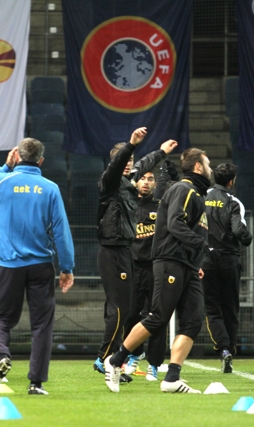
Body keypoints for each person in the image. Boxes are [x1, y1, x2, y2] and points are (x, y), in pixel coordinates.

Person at [104, 148, 215, 394]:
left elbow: (193, 229)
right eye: (207, 163)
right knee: (157, 317)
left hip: (188, 265)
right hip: (170, 260)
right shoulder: (183, 189)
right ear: (197, 166)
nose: (211, 168)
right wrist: (202, 246)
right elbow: (175, 223)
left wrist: (196, 261)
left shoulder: (197, 193)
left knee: (193, 321)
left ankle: (172, 378)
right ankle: (115, 361)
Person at [0, 138, 75, 396]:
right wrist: (67, 267)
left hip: (8, 265)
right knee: (42, 324)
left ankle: (0, 355)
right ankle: (36, 383)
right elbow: (61, 231)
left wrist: (5, 168)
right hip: (41, 265)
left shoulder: (3, 181)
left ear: (17, 156)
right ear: (41, 161)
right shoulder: (50, 188)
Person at [93, 127, 177, 376]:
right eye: (126, 160)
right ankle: (104, 358)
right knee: (120, 310)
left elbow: (143, 163)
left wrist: (161, 151)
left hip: (123, 251)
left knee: (124, 309)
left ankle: (112, 356)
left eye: (131, 160)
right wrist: (131, 144)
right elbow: (118, 165)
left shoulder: (128, 180)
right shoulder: (108, 182)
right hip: (112, 249)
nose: (130, 164)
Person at [122, 161, 176, 382]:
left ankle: (154, 364)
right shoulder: (128, 203)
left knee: (156, 316)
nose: (146, 182)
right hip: (133, 269)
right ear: (136, 181)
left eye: (150, 178)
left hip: (156, 267)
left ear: (156, 183)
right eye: (142, 178)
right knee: (131, 315)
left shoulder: (161, 205)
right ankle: (132, 356)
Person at [202, 163, 252, 373]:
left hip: (206, 259)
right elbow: (239, 230)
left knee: (212, 309)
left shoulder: (201, 197)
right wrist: (248, 238)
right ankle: (231, 347)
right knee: (230, 307)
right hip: (229, 260)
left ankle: (223, 349)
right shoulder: (233, 202)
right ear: (232, 181)